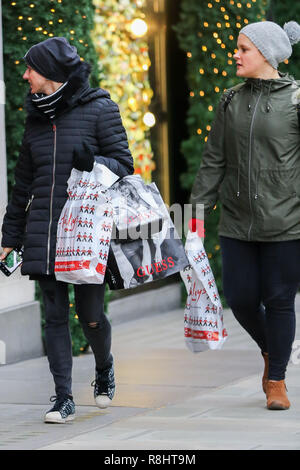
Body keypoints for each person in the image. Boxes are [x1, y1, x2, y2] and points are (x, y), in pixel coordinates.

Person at [0, 37, 134, 423]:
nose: (25, 75)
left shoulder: (99, 109)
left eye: (30, 69)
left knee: (90, 315)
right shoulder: (35, 118)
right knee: (54, 316)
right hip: (43, 232)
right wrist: (10, 238)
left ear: (52, 74)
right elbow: (23, 183)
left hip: (85, 234)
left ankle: (104, 366)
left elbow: (125, 166)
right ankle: (62, 397)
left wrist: (93, 162)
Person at [190, 21, 300, 410]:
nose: (235, 54)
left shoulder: (296, 100)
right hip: (237, 221)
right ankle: (274, 351)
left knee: (281, 299)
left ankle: (277, 380)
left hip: (286, 222)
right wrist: (195, 216)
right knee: (240, 298)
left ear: (267, 54)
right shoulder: (229, 101)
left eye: (243, 49)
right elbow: (213, 161)